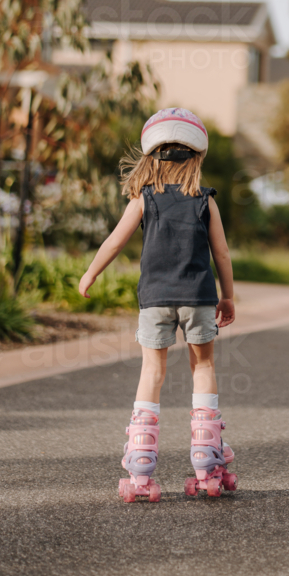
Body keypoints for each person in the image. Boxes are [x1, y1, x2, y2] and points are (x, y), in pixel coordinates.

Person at [78, 107, 237, 501]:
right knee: (203, 365)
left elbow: (114, 241)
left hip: (154, 300)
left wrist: (91, 273)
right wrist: (228, 296)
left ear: (152, 157)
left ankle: (142, 465)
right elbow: (222, 254)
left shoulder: (143, 199)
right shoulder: (205, 200)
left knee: (153, 371)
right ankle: (206, 459)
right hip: (199, 297)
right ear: (196, 158)